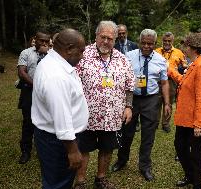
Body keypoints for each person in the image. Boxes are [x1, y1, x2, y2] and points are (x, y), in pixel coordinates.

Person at [75, 21, 135, 189]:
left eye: (110, 38)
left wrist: (128, 106)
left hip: (112, 116)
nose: (106, 41)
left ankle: (100, 179)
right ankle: (80, 181)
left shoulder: (122, 60)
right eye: (103, 37)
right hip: (86, 115)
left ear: (116, 39)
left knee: (107, 148)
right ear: (96, 36)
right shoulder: (82, 55)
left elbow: (130, 86)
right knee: (83, 148)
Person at [31, 28, 89, 189]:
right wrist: (72, 150)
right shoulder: (56, 75)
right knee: (58, 184)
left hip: (55, 139)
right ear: (69, 49)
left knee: (57, 181)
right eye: (81, 51)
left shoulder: (56, 62)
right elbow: (61, 118)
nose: (82, 56)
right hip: (58, 143)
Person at [111, 29, 171, 181]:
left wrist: (167, 103)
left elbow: (164, 83)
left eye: (149, 44)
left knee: (148, 135)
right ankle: (122, 160)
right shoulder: (128, 56)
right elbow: (121, 78)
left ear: (155, 44)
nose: (146, 46)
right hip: (131, 99)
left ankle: (144, 166)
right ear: (139, 42)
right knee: (126, 132)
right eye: (143, 43)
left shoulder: (160, 60)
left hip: (151, 100)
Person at [169, 32, 201, 189]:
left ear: (193, 48)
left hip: (195, 120)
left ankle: (198, 184)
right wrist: (171, 70)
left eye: (185, 46)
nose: (183, 48)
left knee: (196, 153)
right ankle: (190, 175)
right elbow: (184, 82)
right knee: (180, 146)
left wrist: (199, 124)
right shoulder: (193, 64)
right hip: (185, 118)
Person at [17, 31, 50, 164]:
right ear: (35, 40)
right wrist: (36, 85)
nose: (43, 43)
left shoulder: (51, 55)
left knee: (44, 122)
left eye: (46, 41)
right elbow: (21, 72)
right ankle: (25, 151)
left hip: (46, 93)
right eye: (41, 41)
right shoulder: (26, 53)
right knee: (28, 122)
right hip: (29, 91)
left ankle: (43, 150)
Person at [155, 32, 185, 133]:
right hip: (158, 80)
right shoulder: (156, 51)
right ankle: (155, 122)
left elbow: (184, 66)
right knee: (157, 102)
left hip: (172, 81)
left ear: (172, 41)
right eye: (165, 41)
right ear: (162, 41)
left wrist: (179, 69)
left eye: (169, 41)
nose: (167, 43)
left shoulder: (179, 52)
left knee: (168, 102)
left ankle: (165, 124)